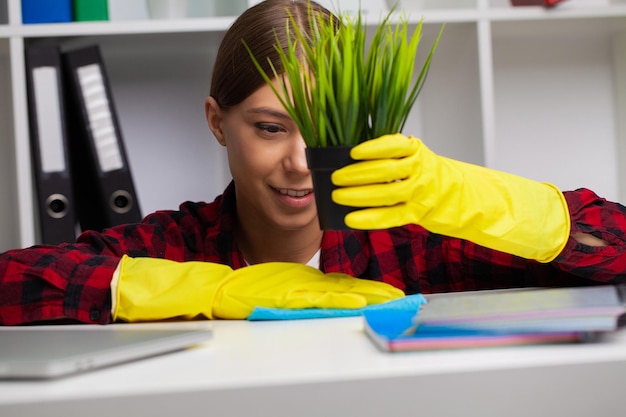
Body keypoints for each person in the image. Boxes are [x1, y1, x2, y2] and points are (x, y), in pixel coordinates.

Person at [0, 0, 625, 326]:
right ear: (218, 123)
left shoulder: (415, 243)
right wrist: (210, 289)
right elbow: (14, 278)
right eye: (270, 128)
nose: (300, 161)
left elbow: (618, 245)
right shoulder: (179, 246)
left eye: (324, 132)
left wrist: (469, 194)